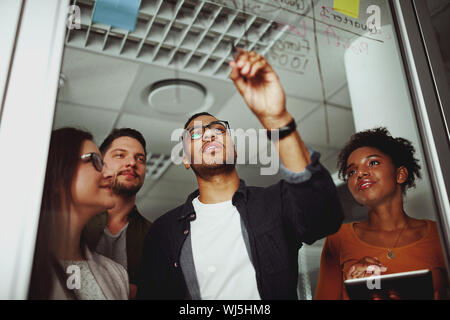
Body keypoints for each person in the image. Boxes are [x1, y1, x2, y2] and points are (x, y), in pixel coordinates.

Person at [136, 50, 344, 300]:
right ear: (185, 159)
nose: (209, 135)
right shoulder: (163, 232)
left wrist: (276, 118)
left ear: (233, 146)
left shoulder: (275, 203)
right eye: (195, 134)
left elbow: (325, 218)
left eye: (217, 129)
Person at [314, 127, 448, 300]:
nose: (360, 174)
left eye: (373, 162)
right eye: (352, 172)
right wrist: (354, 289)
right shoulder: (338, 240)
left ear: (400, 175)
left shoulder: (440, 234)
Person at [28, 127, 129, 300]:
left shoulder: (117, 275)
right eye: (95, 161)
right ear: (57, 173)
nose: (110, 174)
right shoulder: (17, 267)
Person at [83, 128, 152, 299]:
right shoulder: (73, 221)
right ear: (100, 163)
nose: (132, 163)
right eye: (120, 155)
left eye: (140, 158)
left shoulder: (154, 235)